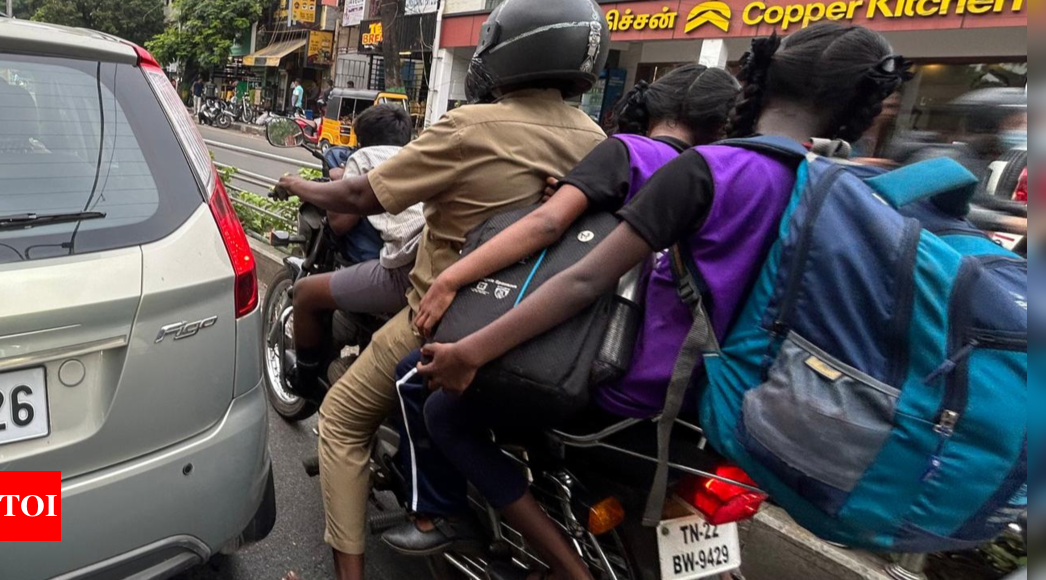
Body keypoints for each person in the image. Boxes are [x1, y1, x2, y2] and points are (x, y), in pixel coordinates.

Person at [417, 24, 911, 580]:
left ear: (760, 79)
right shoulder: (850, 190)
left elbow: (584, 282)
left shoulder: (712, 171)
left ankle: (568, 569)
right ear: (864, 108)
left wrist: (470, 352)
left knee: (445, 412)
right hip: (747, 405)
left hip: (641, 395)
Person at [271, 1, 611, 579]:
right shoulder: (598, 136)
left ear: (505, 49)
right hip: (553, 321)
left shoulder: (469, 126)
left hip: (446, 310)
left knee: (343, 424)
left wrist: (294, 180)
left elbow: (359, 199)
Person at [383, 63, 741, 578]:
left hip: (604, 366)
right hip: (690, 384)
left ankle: (493, 537)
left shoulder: (630, 153)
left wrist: (450, 278)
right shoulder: (729, 174)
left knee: (428, 392)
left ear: (662, 107)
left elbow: (548, 227)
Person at [288, 104, 424, 403]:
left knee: (304, 292)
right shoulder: (419, 159)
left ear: (361, 139)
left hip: (406, 270)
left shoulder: (363, 158)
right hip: (435, 263)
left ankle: (306, 381)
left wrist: (306, 184)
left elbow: (340, 221)